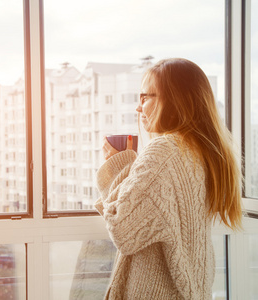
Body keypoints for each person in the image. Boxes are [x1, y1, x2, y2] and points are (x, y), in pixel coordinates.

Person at [95, 58, 242, 299]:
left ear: (174, 100)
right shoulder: (200, 150)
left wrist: (119, 165)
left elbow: (123, 229)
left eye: (145, 98)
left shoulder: (164, 151)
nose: (138, 108)